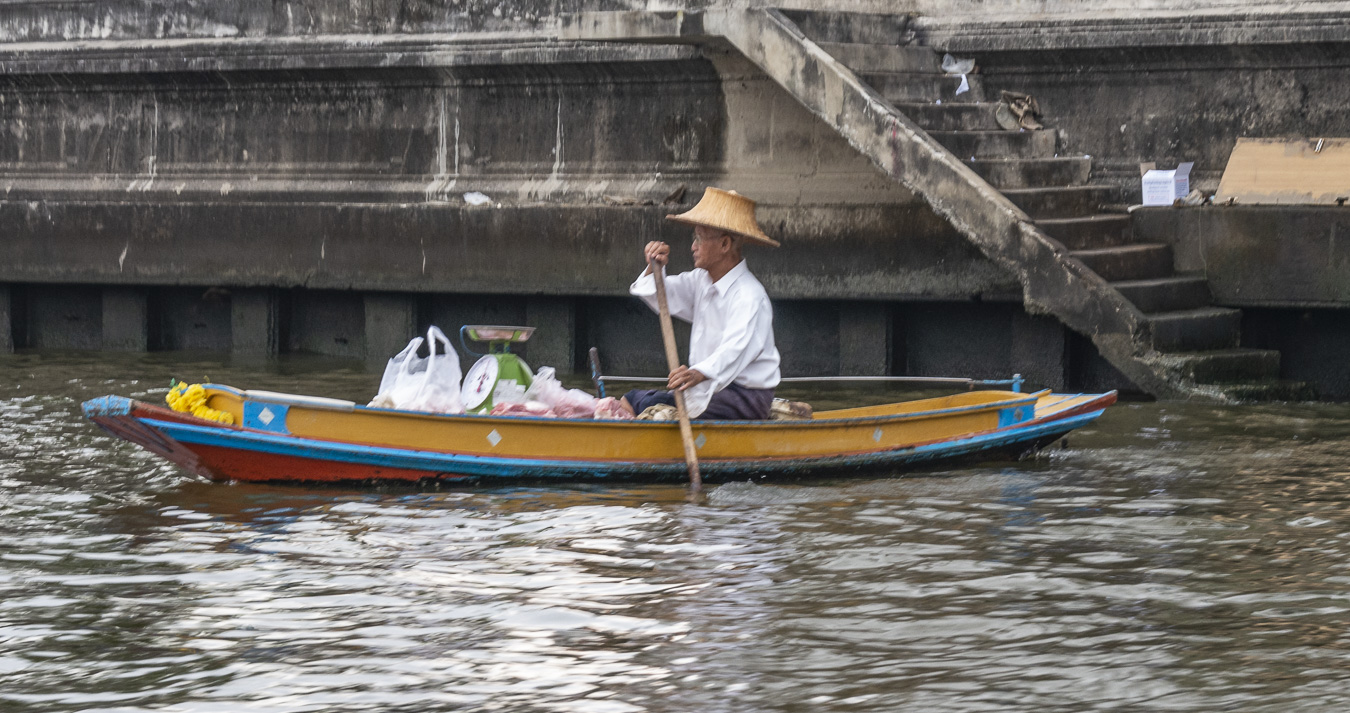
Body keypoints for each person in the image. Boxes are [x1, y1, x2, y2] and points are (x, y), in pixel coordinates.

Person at [622, 187, 782, 420]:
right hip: (708, 386)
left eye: (699, 239)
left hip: (743, 397)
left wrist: (699, 373)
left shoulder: (750, 296)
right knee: (633, 399)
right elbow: (662, 296)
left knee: (662, 413)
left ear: (725, 244)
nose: (693, 247)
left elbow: (734, 350)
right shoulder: (701, 281)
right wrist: (654, 267)